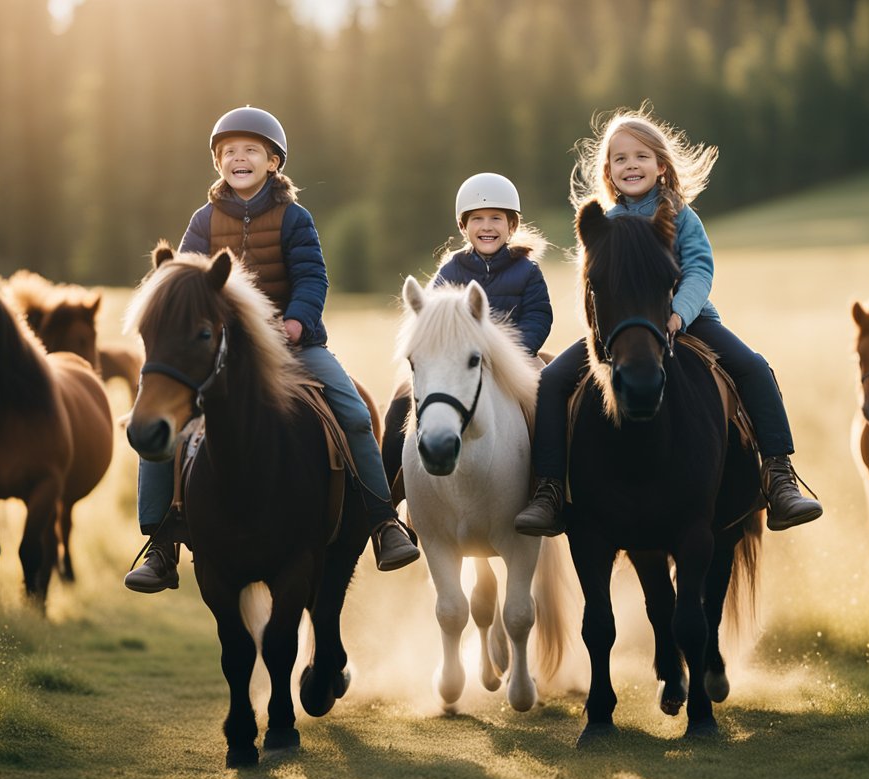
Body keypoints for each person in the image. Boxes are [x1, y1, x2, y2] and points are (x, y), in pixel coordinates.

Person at [125, 106, 419, 592]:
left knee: (353, 412)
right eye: (229, 153)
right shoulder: (203, 221)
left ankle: (382, 521)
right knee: (159, 418)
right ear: (218, 163)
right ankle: (161, 541)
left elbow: (311, 276)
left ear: (273, 162)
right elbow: (183, 282)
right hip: (218, 352)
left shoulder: (293, 217)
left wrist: (298, 321)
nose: (238, 159)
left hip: (290, 346)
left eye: (250, 152)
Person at [514, 106, 822, 536]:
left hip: (686, 321)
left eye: (641, 156)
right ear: (608, 171)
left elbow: (699, 269)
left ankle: (779, 477)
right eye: (620, 159)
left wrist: (679, 312)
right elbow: (594, 285)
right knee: (554, 381)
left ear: (661, 165)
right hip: (622, 332)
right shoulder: (604, 225)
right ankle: (548, 489)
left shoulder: (680, 215)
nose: (631, 165)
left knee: (752, 367)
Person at [381, 172, 552, 489]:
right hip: (454, 364)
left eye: (496, 218)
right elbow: (430, 320)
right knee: (398, 407)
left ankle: (548, 487)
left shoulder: (527, 270)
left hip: (516, 360)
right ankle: (390, 496)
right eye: (477, 219)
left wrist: (511, 353)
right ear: (463, 226)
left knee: (549, 404)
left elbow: (539, 315)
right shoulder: (451, 270)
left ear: (511, 226)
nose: (487, 226)